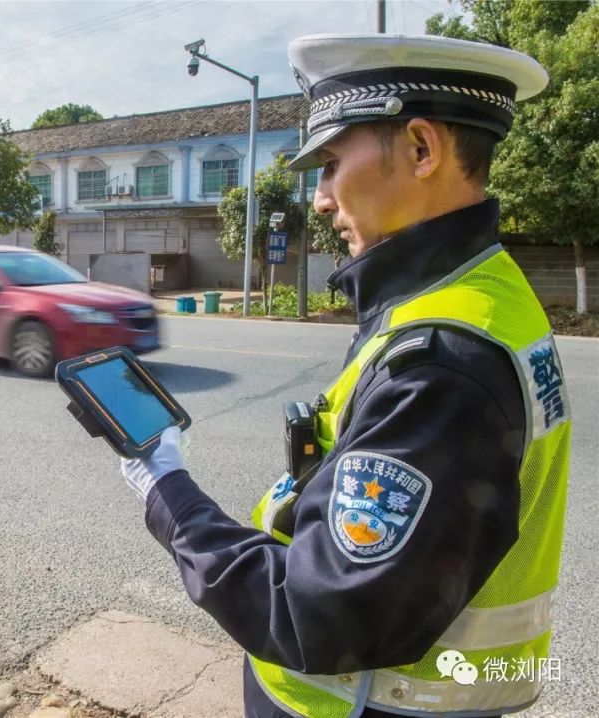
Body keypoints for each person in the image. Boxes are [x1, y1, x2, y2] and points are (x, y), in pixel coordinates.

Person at [121, 33, 572, 718]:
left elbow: (318, 615)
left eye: (330, 164)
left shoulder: (444, 362)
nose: (323, 198)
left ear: (421, 149)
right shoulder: (476, 290)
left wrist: (170, 495)